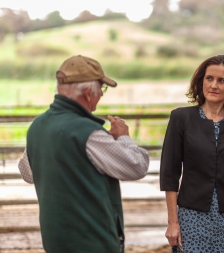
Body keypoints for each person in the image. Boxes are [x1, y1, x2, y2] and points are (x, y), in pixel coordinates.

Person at [17, 55, 149, 253]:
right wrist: (123, 138)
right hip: (91, 242)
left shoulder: (38, 125)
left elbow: (27, 173)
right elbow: (137, 166)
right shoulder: (89, 133)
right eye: (101, 90)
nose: (101, 95)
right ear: (88, 92)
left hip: (55, 240)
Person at [159, 54, 224, 252]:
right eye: (209, 78)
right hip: (191, 217)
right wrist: (173, 222)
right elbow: (169, 175)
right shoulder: (181, 118)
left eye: (222, 80)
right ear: (201, 82)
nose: (214, 85)